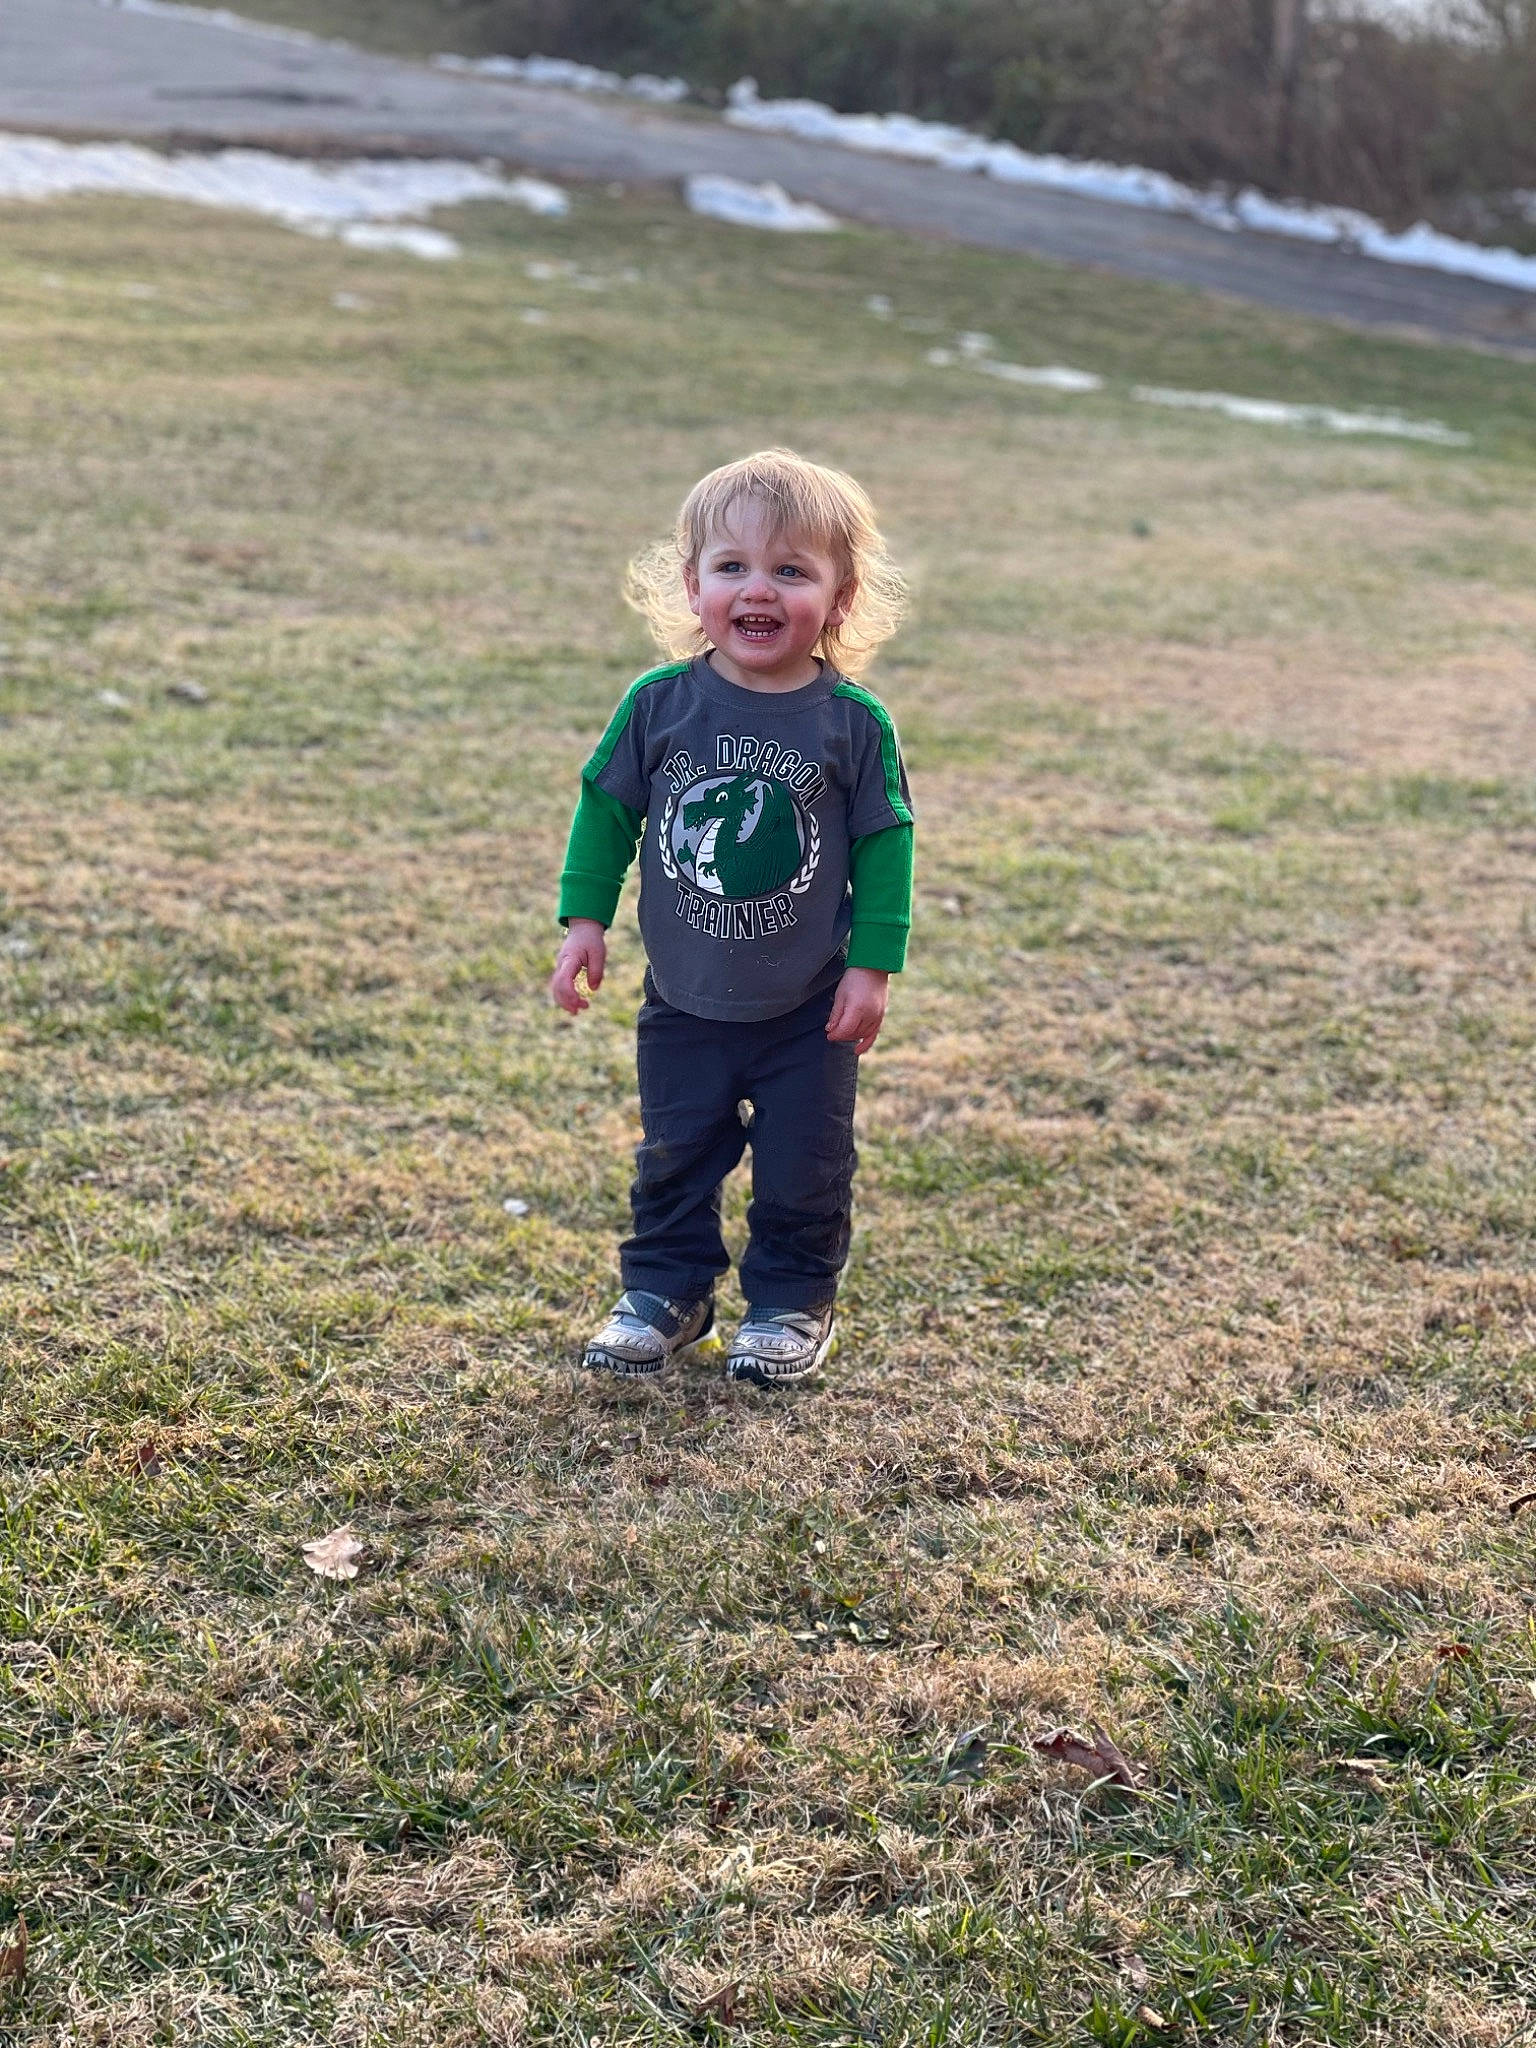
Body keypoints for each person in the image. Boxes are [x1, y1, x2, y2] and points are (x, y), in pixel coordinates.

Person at [550, 449, 914, 1388]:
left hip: (807, 1008)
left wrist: (872, 966)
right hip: (684, 1000)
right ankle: (668, 1292)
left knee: (806, 1165)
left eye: (792, 570)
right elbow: (607, 809)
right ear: (692, 584)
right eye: (733, 568)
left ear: (839, 597)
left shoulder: (851, 722)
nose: (760, 589)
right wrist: (584, 919)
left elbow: (885, 842)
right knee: (674, 1155)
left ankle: (793, 1301)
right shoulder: (661, 704)